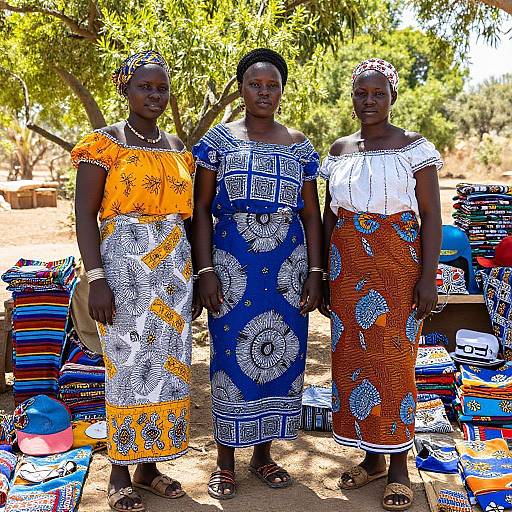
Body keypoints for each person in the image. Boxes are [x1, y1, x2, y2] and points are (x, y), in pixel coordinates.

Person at [192, 48, 323, 499]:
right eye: (254, 84)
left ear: (282, 90)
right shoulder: (218, 141)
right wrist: (205, 270)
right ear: (241, 88)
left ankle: (263, 455)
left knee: (278, 358)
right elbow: (201, 209)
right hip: (233, 266)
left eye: (272, 85)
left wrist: (315, 271)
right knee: (231, 358)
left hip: (287, 269)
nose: (263, 92)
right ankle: (225, 459)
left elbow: (311, 215)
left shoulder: (300, 146)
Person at [72, 50, 197, 512]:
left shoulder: (177, 149)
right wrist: (96, 277)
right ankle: (120, 472)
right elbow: (84, 215)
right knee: (127, 369)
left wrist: (192, 276)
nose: (155, 95)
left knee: (168, 369)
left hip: (173, 274)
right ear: (124, 88)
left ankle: (151, 468)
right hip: (122, 270)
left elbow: (186, 216)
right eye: (145, 86)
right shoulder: (104, 145)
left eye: (162, 87)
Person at [320, 58, 442, 511]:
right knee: (354, 360)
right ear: (352, 98)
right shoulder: (338, 151)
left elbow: (431, 216)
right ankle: (371, 458)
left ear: (392, 97)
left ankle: (398, 468)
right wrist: (324, 275)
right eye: (361, 94)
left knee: (394, 364)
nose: (369, 102)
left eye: (378, 94)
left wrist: (427, 279)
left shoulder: (414, 148)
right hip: (347, 267)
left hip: (398, 267)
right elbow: (330, 216)